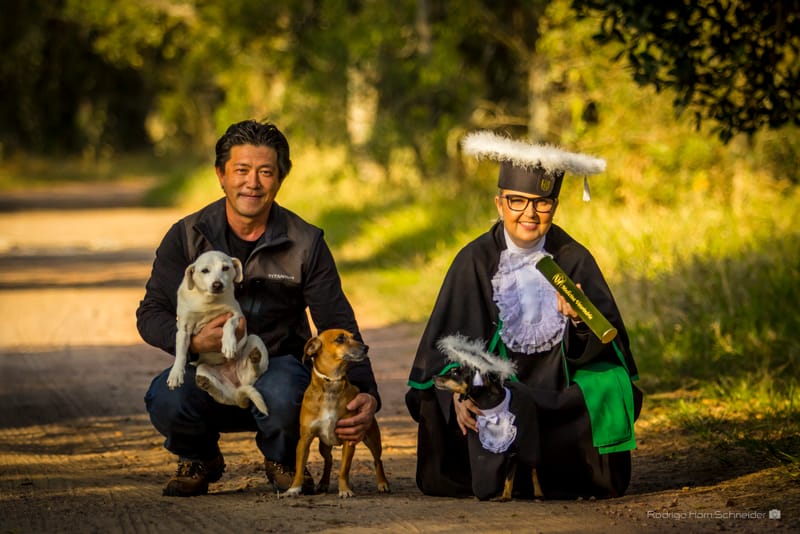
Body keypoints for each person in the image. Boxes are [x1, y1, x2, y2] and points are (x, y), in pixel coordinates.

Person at [137, 119, 381, 497]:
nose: (253, 182)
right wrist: (195, 341)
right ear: (221, 175)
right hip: (207, 367)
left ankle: (282, 457)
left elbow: (336, 322)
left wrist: (366, 393)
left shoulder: (305, 241)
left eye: (266, 172)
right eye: (241, 170)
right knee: (166, 396)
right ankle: (198, 458)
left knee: (288, 392)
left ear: (280, 179)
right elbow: (150, 312)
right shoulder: (187, 235)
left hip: (277, 366)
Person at [406, 131, 642, 500]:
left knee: (610, 385)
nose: (529, 214)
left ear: (555, 207)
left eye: (542, 204)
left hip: (555, 395)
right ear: (500, 203)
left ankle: (558, 473)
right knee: (441, 401)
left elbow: (613, 352)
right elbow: (444, 351)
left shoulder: (574, 258)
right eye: (518, 201)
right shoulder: (474, 260)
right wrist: (460, 393)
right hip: (491, 390)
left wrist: (580, 323)